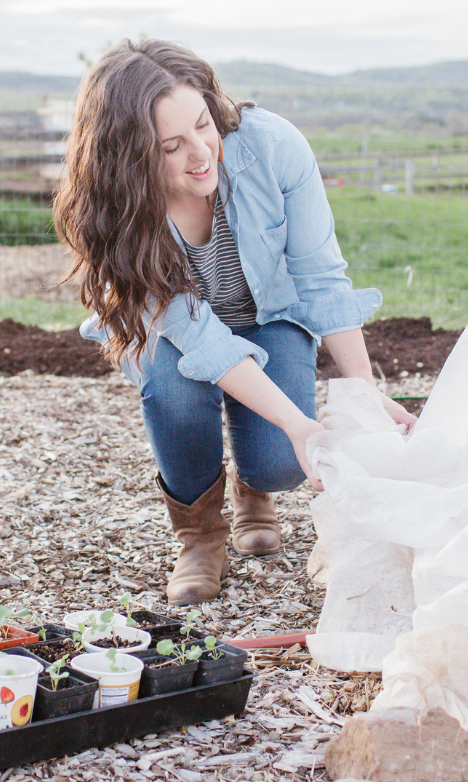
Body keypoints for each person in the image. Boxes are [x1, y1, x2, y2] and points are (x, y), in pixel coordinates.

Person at [54, 39, 416, 606]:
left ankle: (256, 488)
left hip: (268, 316)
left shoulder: (273, 147)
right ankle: (200, 537)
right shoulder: (113, 211)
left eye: (203, 125)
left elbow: (321, 278)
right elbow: (196, 334)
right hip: (178, 337)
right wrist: (301, 425)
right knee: (174, 384)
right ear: (128, 157)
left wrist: (365, 395)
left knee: (278, 465)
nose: (201, 154)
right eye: (170, 147)